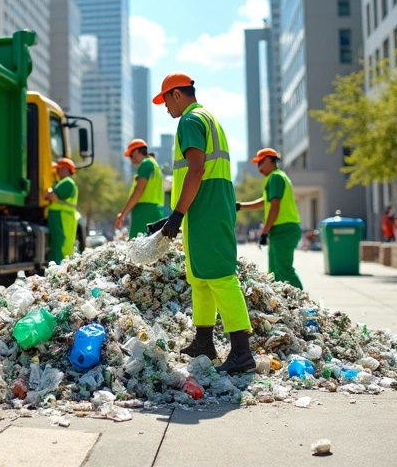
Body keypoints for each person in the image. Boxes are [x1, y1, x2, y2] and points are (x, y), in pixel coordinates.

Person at [147, 73, 255, 374]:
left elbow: (196, 171)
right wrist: (175, 214)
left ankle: (242, 353)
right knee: (200, 277)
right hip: (204, 207)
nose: (165, 107)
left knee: (220, 276)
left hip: (204, 206)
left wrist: (178, 214)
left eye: (166, 100)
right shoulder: (208, 119)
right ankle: (204, 341)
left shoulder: (190, 121)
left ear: (177, 95)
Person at [239, 148, 304, 289]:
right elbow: (265, 202)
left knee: (283, 270)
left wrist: (264, 232)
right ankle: (289, 304)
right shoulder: (274, 178)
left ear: (270, 160)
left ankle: (305, 304)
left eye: (261, 162)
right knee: (275, 272)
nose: (259, 167)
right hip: (281, 229)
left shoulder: (276, 177)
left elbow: (275, 207)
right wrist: (241, 206)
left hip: (284, 228)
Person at [115, 139, 167, 239]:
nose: (131, 159)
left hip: (144, 212)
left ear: (136, 151)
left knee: (135, 246)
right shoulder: (154, 164)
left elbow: (138, 191)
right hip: (155, 211)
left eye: (131, 155)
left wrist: (123, 214)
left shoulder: (145, 164)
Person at [45, 158, 79, 263]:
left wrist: (47, 191)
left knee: (59, 247)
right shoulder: (68, 183)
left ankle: (58, 273)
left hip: (61, 219)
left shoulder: (67, 182)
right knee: (62, 247)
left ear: (64, 168)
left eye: (58, 169)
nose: (57, 172)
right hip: (63, 219)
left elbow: (50, 196)